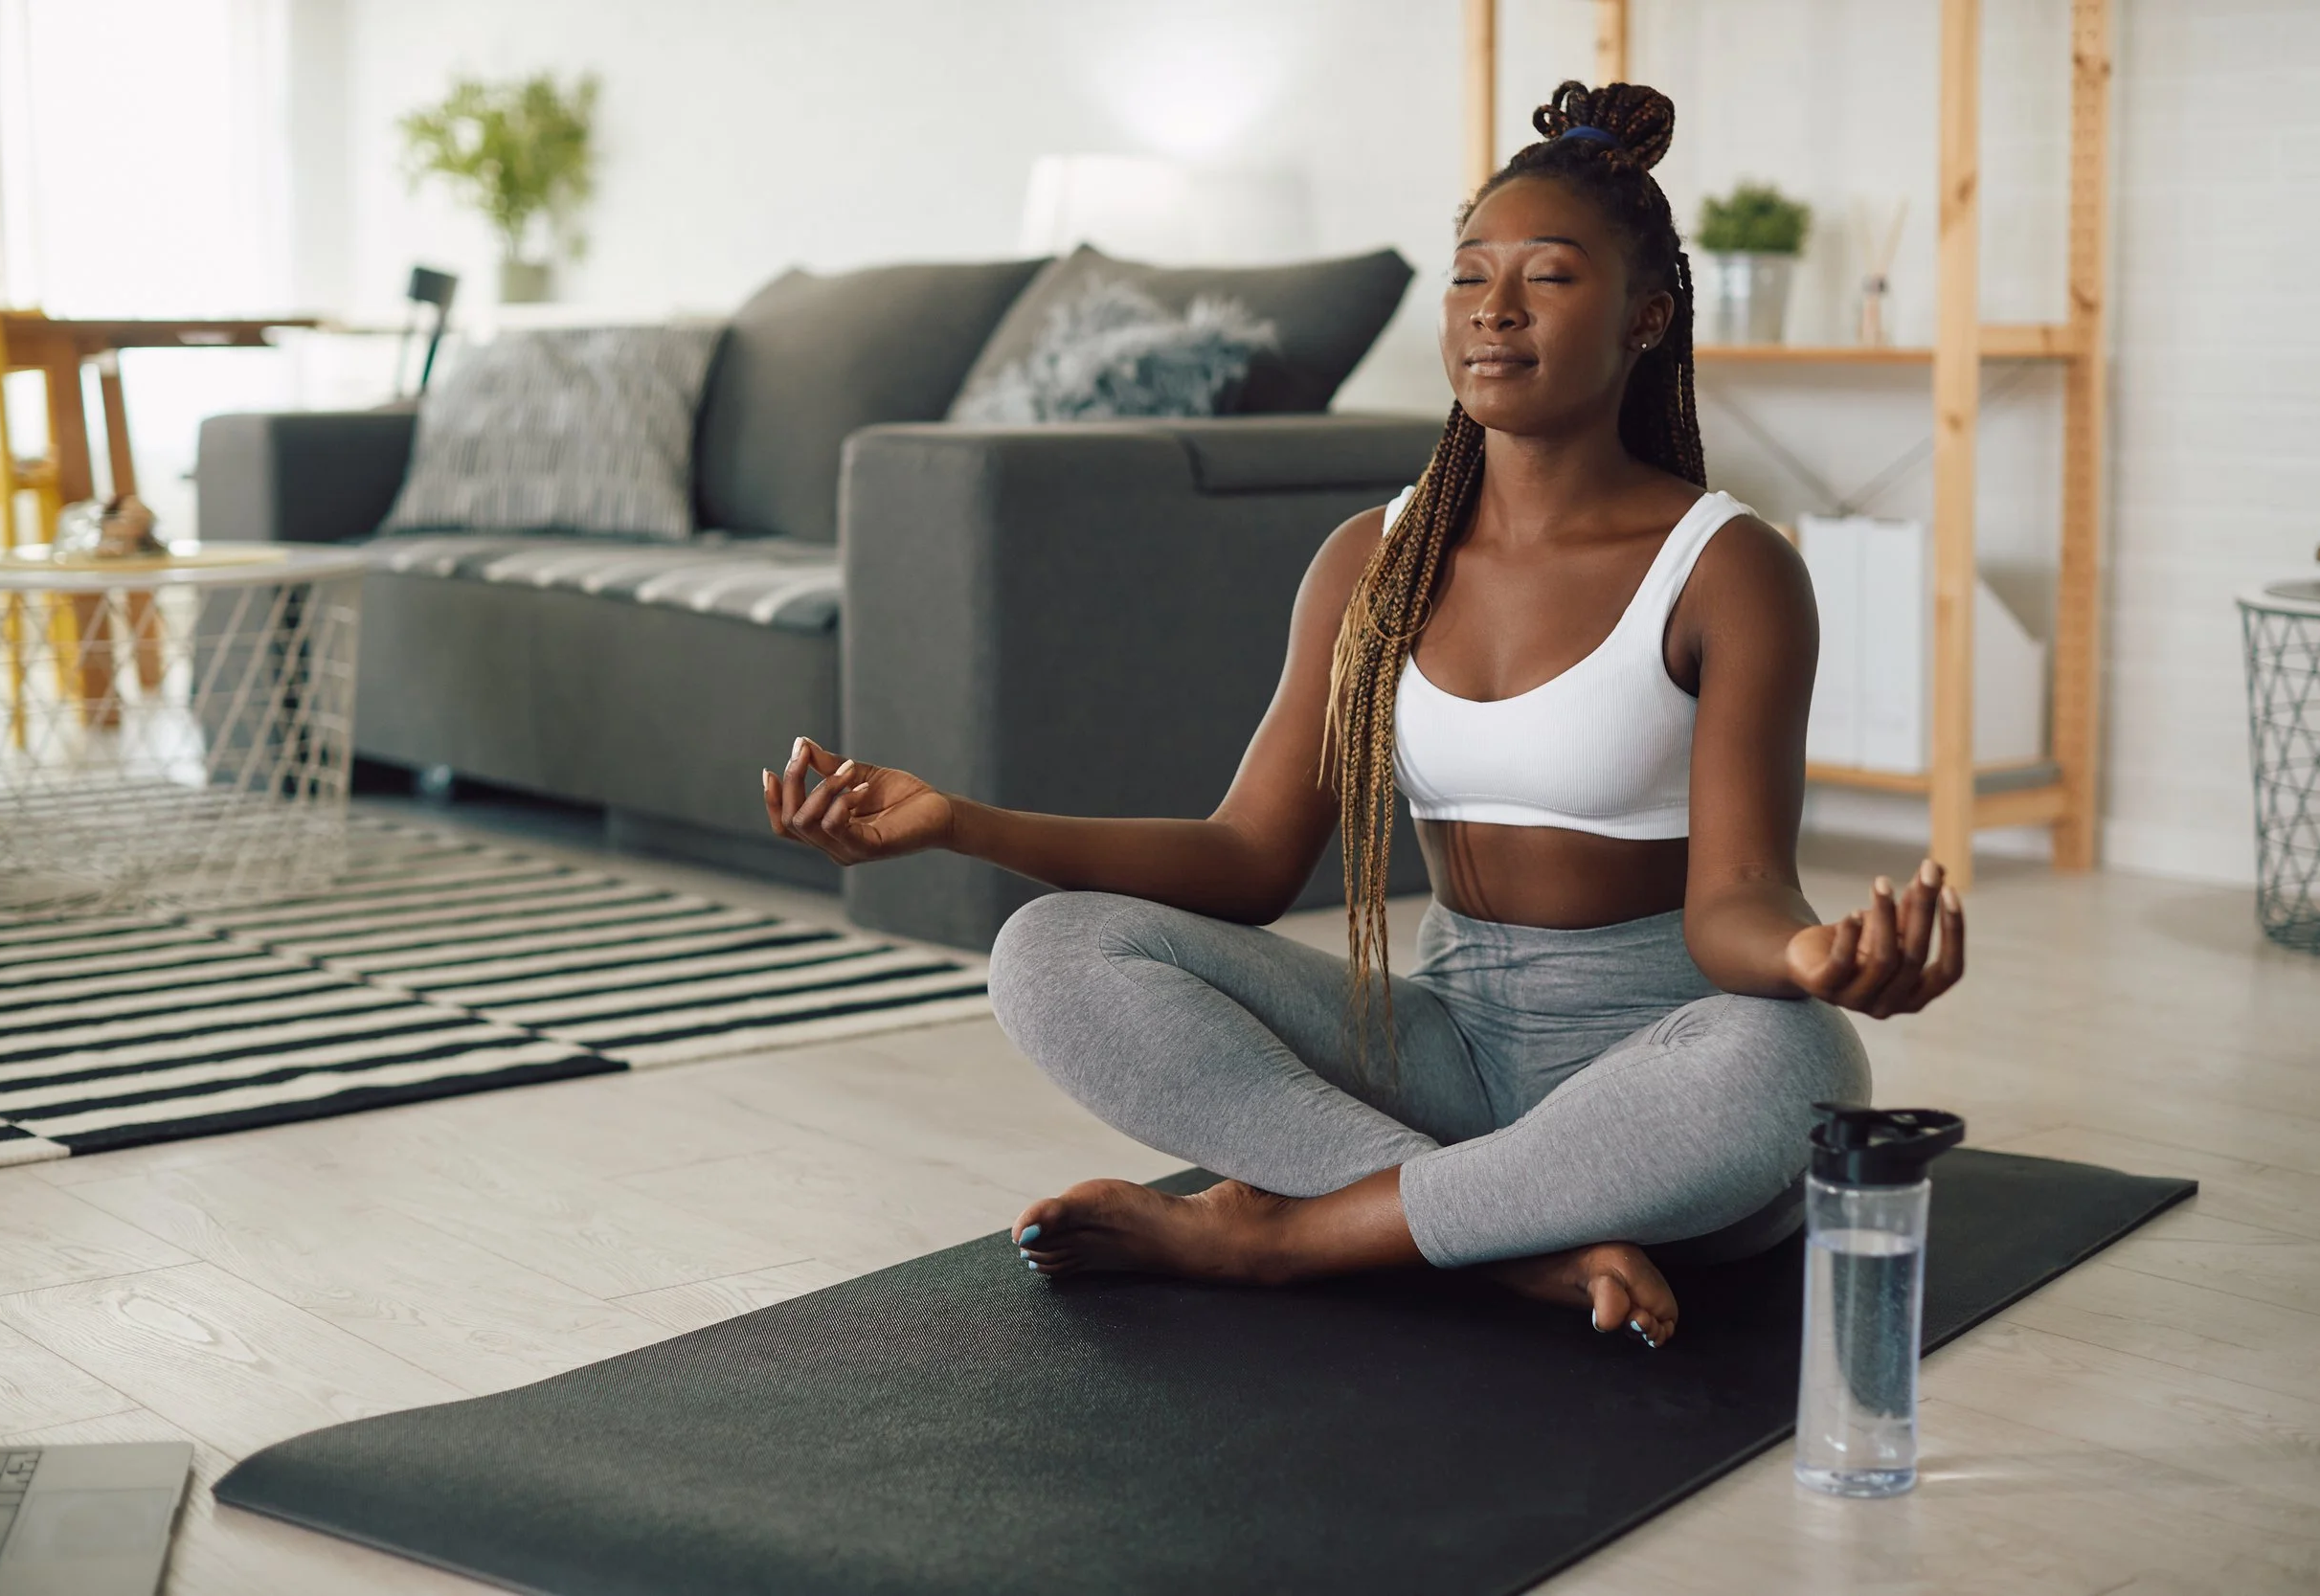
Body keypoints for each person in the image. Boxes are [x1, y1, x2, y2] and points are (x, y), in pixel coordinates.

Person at [763, 80, 1963, 1349]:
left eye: (1547, 277)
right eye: (1468, 276)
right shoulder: (1369, 561)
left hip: (1657, 1079)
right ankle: (1500, 1241)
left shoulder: (1729, 566)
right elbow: (1245, 858)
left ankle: (1283, 1235)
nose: (1493, 309)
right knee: (1049, 954)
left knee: (1795, 1068)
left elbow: (1734, 907)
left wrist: (1808, 958)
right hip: (1441, 1060)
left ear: (1647, 317)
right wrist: (960, 820)